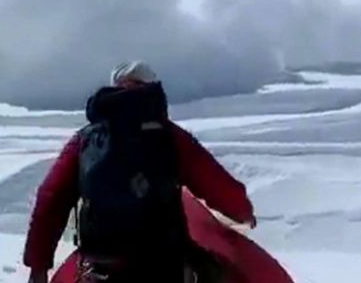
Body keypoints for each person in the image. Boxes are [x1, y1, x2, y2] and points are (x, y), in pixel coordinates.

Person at [24, 61, 256, 283]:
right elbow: (215, 183)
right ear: (153, 88)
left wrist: (38, 265)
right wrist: (242, 211)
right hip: (162, 265)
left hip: (101, 267)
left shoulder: (86, 140)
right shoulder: (170, 137)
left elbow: (50, 197)